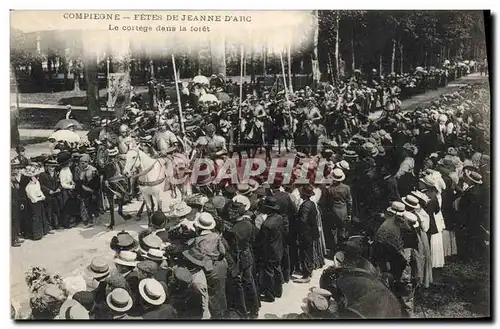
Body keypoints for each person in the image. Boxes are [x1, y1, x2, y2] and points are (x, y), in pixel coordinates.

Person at [190, 212, 228, 319]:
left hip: (208, 267)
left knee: (210, 293)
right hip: (221, 265)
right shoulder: (216, 236)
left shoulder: (197, 240)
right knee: (220, 289)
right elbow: (223, 251)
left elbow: (196, 257)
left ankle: (214, 316)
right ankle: (222, 312)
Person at [256, 196, 286, 302]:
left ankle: (270, 295)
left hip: (269, 252)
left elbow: (262, 241)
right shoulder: (279, 218)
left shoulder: (266, 225)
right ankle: (278, 291)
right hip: (278, 249)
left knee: (269, 273)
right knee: (277, 270)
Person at [323, 168, 353, 254]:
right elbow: (350, 202)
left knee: (333, 230)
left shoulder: (330, 189)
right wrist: (349, 214)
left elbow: (327, 203)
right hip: (343, 210)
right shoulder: (347, 188)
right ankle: (342, 247)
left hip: (334, 211)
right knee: (342, 229)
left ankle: (334, 248)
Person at [294, 185, 319, 283]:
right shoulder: (311, 204)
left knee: (305, 253)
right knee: (309, 252)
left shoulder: (305, 206)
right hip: (311, 232)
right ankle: (309, 270)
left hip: (305, 233)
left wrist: (299, 231)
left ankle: (306, 275)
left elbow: (303, 221)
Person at [23, 166, 47, 240]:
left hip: (39, 202)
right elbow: (33, 198)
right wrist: (40, 198)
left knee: (40, 216)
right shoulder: (28, 187)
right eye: (35, 177)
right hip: (33, 204)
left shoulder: (37, 183)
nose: (37, 178)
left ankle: (42, 231)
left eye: (37, 176)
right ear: (30, 178)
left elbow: (39, 191)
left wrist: (42, 196)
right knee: (34, 218)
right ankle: (34, 234)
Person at [38, 159, 61, 231]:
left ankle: (56, 224)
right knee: (48, 211)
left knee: (55, 210)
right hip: (48, 196)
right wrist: (48, 191)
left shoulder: (56, 174)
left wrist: (59, 188)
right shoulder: (43, 175)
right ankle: (49, 226)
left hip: (55, 195)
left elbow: (59, 183)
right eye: (50, 167)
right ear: (47, 167)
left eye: (53, 167)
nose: (51, 168)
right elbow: (41, 185)